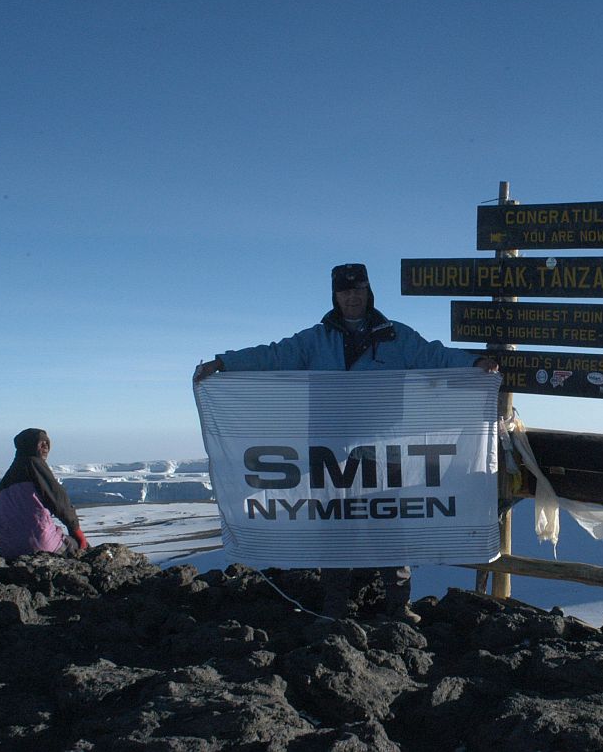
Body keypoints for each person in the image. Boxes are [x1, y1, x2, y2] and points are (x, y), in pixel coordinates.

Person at [194, 262, 499, 624]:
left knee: (390, 525)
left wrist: (474, 362)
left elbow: (433, 354)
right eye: (344, 290)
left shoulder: (396, 337)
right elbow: (274, 354)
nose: (352, 297)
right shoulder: (316, 339)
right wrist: (225, 364)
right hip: (332, 451)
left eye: (358, 290)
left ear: (369, 292)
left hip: (385, 449)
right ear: (335, 295)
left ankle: (398, 606)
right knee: (334, 526)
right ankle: (335, 607)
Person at [0, 428, 90, 560]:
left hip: (6, 549)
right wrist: (76, 530)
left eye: (46, 443)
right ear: (31, 446)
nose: (45, 446)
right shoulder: (35, 466)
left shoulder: (5, 482)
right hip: (42, 545)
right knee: (81, 548)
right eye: (41, 443)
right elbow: (60, 502)